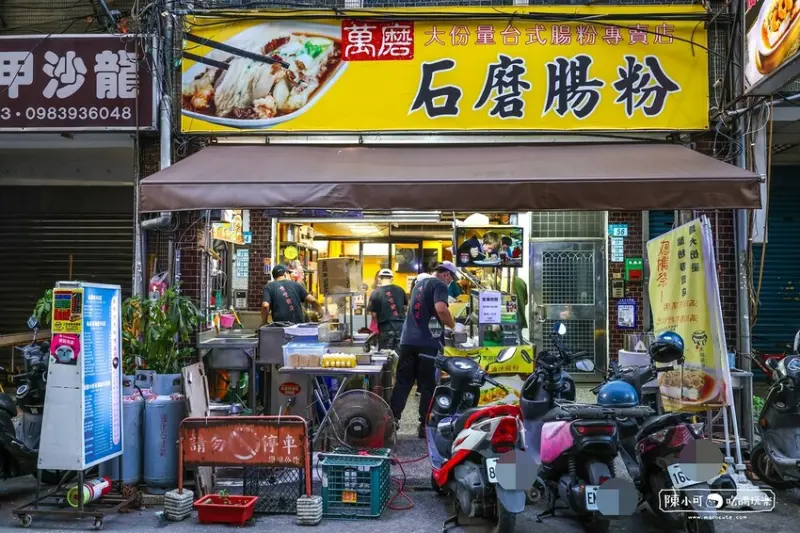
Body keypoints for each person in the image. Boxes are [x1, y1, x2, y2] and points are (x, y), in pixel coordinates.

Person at [391, 261, 464, 438]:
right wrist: (454, 327)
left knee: (403, 383)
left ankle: (391, 422)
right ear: (446, 274)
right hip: (427, 344)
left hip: (407, 342)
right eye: (451, 279)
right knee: (427, 386)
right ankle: (425, 426)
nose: (450, 283)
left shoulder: (419, 284)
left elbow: (424, 313)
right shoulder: (439, 284)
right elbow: (441, 309)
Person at [368, 269, 408, 350]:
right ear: (392, 278)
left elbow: (373, 314)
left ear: (379, 278)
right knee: (399, 353)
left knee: (385, 354)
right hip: (401, 327)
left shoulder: (376, 292)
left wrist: (376, 328)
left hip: (385, 327)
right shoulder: (400, 290)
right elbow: (405, 308)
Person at [513, 275, 528, 343]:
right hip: (520, 318)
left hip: (508, 319)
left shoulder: (501, 283)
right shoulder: (522, 282)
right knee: (518, 341)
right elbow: (526, 301)